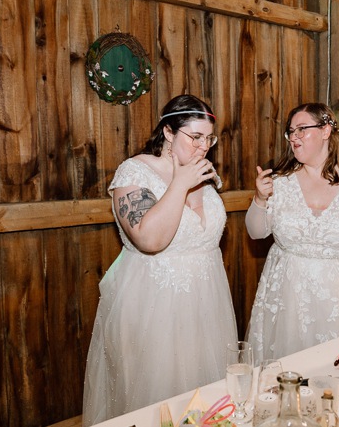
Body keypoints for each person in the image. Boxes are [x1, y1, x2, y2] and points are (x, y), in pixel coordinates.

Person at [82, 95, 238, 426]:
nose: (203, 146)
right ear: (168, 132)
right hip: (154, 303)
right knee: (156, 400)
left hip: (206, 301)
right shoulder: (135, 171)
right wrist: (180, 183)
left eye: (208, 138)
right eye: (194, 137)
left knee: (205, 398)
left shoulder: (202, 173)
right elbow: (150, 239)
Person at [245, 102, 339, 361]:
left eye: (302, 129)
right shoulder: (281, 181)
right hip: (287, 298)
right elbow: (256, 233)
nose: (294, 137)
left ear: (326, 130)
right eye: (290, 131)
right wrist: (260, 198)